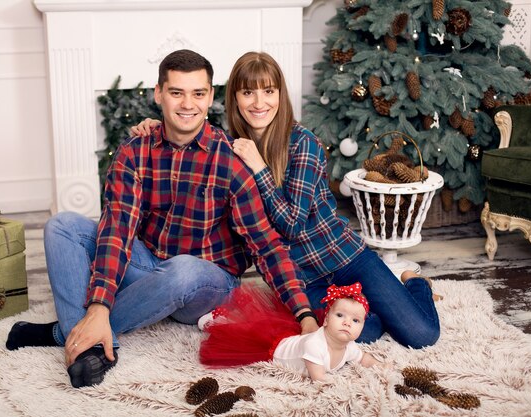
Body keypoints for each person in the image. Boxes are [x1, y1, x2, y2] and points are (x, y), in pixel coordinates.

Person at [5, 49, 312, 388]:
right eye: (177, 92)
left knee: (182, 269)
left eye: (198, 93)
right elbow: (117, 229)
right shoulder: (135, 150)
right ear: (159, 94)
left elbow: (266, 245)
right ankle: (90, 338)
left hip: (206, 282)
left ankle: (67, 332)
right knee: (62, 226)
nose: (187, 104)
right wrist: (98, 304)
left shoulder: (232, 159)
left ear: (210, 96)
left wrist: (305, 314)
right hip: (150, 264)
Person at [131, 51, 440, 349]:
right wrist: (157, 127)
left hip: (346, 259)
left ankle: (414, 284)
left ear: (280, 94)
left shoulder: (303, 143)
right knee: (364, 330)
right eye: (248, 92)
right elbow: (191, 133)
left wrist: (260, 168)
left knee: (421, 334)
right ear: (234, 99)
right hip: (299, 279)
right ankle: (366, 302)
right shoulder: (229, 146)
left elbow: (292, 224)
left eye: (268, 91)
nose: (259, 102)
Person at [199, 282, 381, 382]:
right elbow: (319, 378)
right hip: (275, 348)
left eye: (355, 320)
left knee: (260, 323)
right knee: (242, 334)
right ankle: (219, 320)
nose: (347, 323)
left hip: (292, 338)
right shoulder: (315, 344)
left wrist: (380, 366)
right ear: (325, 320)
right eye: (340, 315)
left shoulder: (349, 346)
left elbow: (363, 357)